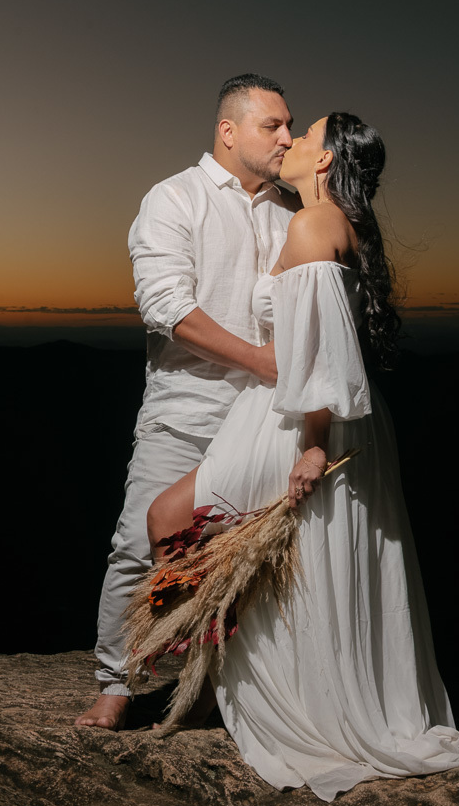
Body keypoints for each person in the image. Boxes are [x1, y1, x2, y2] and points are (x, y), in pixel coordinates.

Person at [141, 112, 459, 800]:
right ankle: (222, 680)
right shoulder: (330, 221)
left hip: (301, 420)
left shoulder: (312, 226)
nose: (288, 143)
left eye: (302, 137)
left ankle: (209, 686)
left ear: (324, 161)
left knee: (170, 516)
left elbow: (319, 352)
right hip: (321, 416)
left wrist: (313, 447)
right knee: (293, 557)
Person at [75, 74, 300, 730]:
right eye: (273, 125)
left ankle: (211, 690)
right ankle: (116, 684)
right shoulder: (175, 198)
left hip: (266, 420)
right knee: (141, 546)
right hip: (187, 411)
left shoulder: (293, 213)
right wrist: (261, 360)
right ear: (228, 131)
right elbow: (166, 307)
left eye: (289, 125)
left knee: (244, 562)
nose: (287, 136)